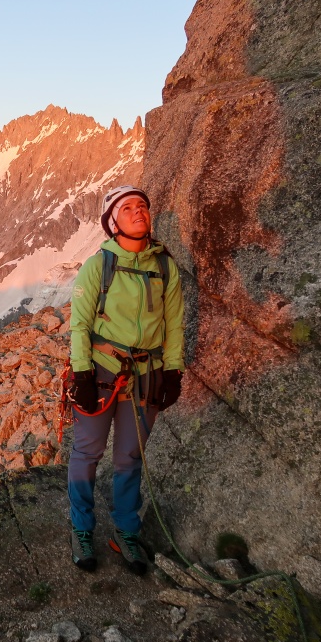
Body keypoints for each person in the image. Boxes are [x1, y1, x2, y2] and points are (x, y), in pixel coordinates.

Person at [66, 185, 184, 575]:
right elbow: (80, 324)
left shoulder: (165, 267)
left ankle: (125, 531)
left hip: (146, 375)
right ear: (112, 221)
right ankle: (82, 527)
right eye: (128, 208)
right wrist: (81, 371)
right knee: (88, 451)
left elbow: (175, 324)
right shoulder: (98, 265)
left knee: (129, 458)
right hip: (101, 371)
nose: (139, 213)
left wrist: (173, 369)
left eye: (144, 207)